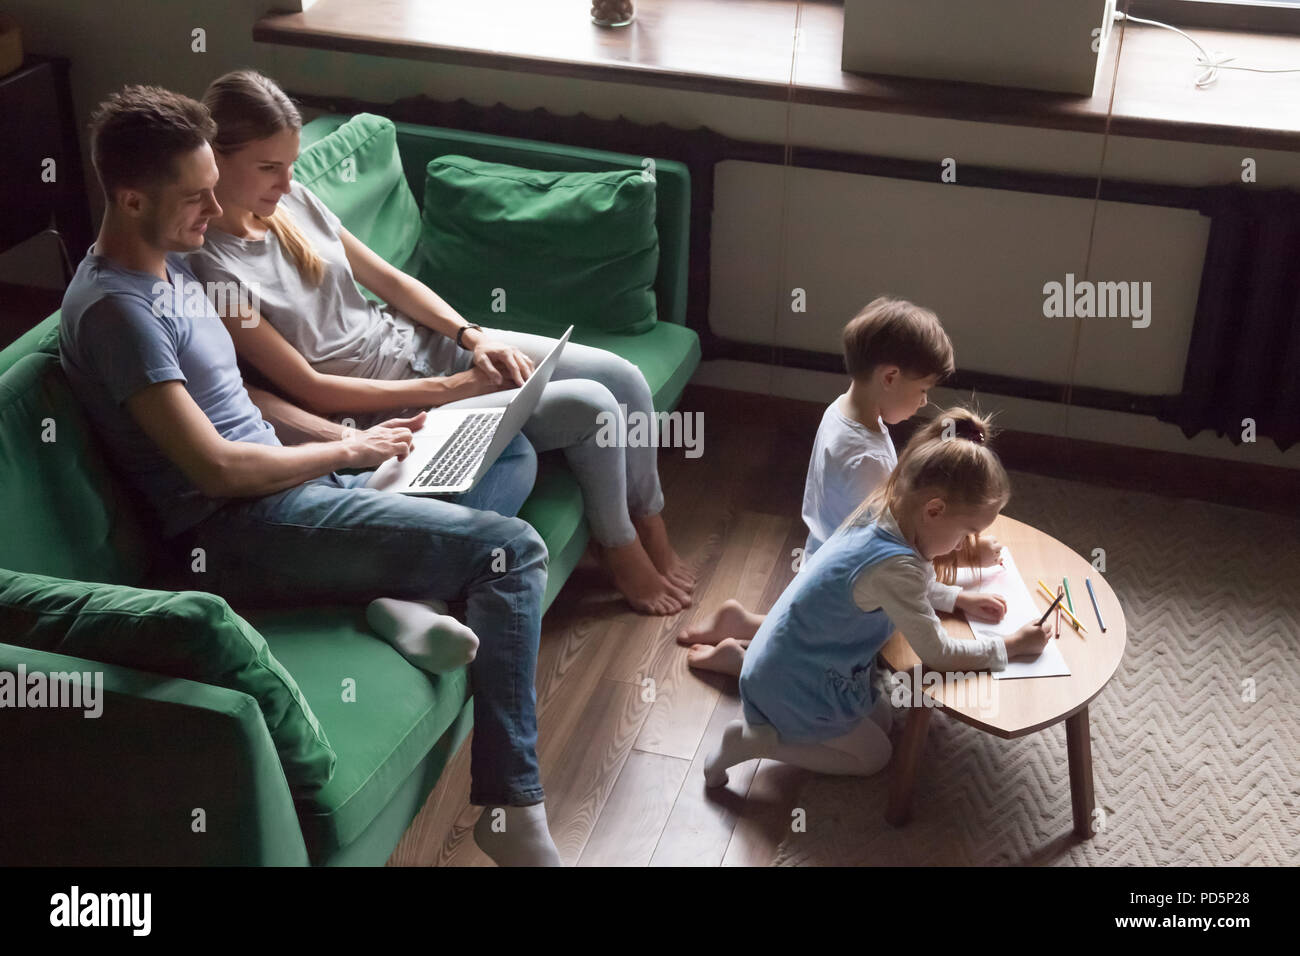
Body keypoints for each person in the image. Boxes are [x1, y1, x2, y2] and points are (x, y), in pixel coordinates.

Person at [58, 85, 559, 865]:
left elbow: (245, 399)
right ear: (128, 198)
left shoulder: (174, 265)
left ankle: (394, 593)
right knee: (513, 551)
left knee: (504, 448)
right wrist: (347, 452)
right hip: (237, 530)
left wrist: (353, 435)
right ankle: (508, 803)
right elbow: (217, 468)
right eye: (196, 197)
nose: (214, 207)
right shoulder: (117, 312)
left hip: (298, 489)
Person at [187, 69, 694, 616]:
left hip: (424, 346)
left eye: (290, 164)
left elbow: (391, 282)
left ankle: (650, 526)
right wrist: (454, 387)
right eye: (269, 168)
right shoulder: (209, 267)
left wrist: (471, 338)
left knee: (623, 379)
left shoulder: (293, 201)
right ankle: (620, 549)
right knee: (594, 407)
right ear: (213, 156)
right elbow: (308, 387)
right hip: (391, 402)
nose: (287, 182)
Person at [703, 407, 1055, 786]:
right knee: (875, 757)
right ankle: (753, 742)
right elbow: (938, 653)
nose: (962, 546)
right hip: (795, 684)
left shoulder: (887, 509)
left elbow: (903, 583)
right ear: (934, 511)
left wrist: (957, 599)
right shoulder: (897, 566)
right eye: (965, 533)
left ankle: (770, 717)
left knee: (886, 718)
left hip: (794, 659)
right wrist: (1011, 646)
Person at [678, 297, 1007, 675]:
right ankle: (743, 662)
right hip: (844, 583)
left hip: (822, 555)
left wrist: (956, 598)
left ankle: (739, 623)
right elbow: (895, 550)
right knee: (848, 653)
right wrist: (964, 559)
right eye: (922, 390)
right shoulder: (865, 461)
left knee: (802, 628)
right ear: (889, 377)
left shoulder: (845, 411)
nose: (924, 401)